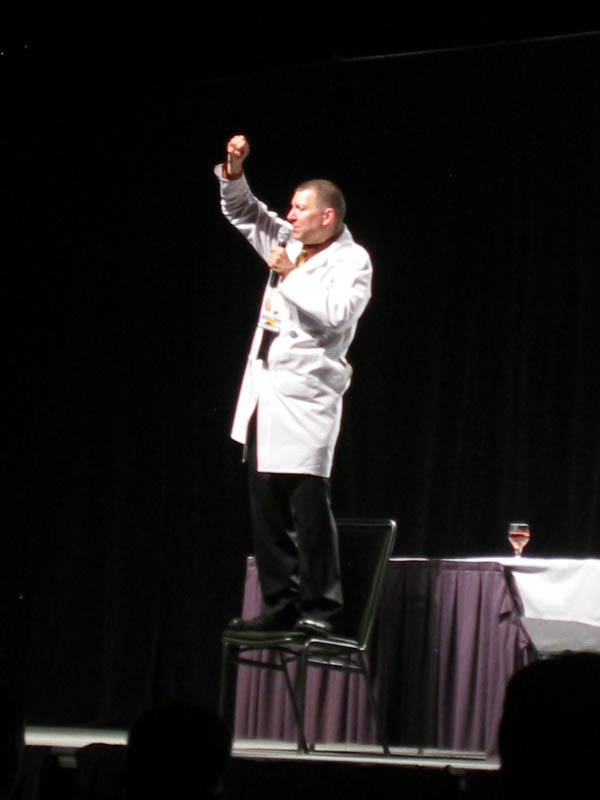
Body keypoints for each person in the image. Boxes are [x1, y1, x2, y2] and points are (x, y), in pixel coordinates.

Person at [215, 134, 372, 635]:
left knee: (307, 507)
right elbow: (244, 212)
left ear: (328, 215)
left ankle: (321, 610)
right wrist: (234, 170)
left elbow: (339, 312)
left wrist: (290, 275)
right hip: (266, 391)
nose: (291, 214)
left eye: (300, 208)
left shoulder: (353, 261)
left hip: (309, 397)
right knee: (265, 507)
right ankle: (279, 605)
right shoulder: (288, 240)